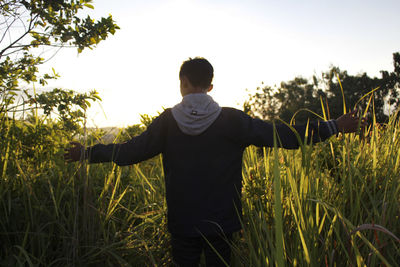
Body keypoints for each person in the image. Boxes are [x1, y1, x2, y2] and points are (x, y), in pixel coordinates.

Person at [64, 57, 366, 266]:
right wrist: (333, 126)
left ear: (182, 83)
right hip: (223, 224)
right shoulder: (231, 120)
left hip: (183, 223)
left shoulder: (168, 122)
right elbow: (283, 136)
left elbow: (130, 152)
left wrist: (87, 153)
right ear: (211, 86)